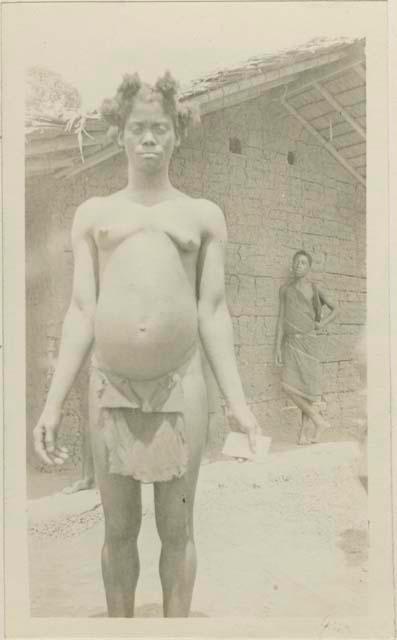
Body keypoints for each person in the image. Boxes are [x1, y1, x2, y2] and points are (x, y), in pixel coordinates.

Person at [33, 71, 259, 618]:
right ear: (120, 134)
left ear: (178, 133)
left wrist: (241, 405)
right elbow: (82, 310)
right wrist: (53, 402)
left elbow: (212, 312)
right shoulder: (95, 214)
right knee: (118, 528)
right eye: (138, 128)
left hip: (182, 383)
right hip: (109, 384)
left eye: (160, 128)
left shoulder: (202, 216)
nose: (149, 139)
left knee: (177, 528)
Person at [275, 250, 337, 445]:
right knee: (288, 386)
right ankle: (318, 420)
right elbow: (281, 319)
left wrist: (321, 324)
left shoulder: (314, 288)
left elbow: (336, 309)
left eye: (302, 263)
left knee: (307, 391)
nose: (298, 266)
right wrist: (277, 347)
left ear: (309, 267)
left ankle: (304, 434)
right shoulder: (285, 290)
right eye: (296, 262)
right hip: (291, 342)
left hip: (309, 342)